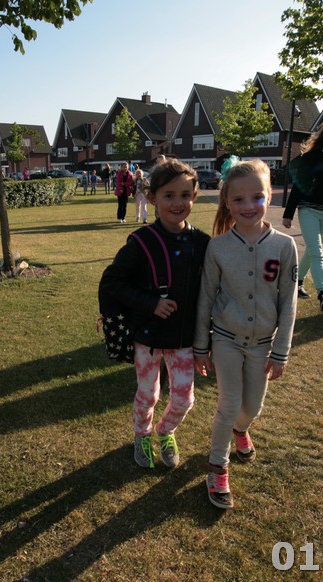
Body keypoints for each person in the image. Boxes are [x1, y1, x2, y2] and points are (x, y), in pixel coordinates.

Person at [194, 158, 298, 509]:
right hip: (225, 339)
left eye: (257, 197)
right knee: (228, 404)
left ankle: (242, 430)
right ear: (226, 202)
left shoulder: (284, 246)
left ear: (270, 196)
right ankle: (217, 467)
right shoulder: (217, 247)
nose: (248, 206)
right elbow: (206, 298)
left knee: (251, 408)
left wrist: (281, 350)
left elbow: (288, 303)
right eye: (238, 199)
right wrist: (201, 346)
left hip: (262, 345)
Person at [99, 158, 210, 469]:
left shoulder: (202, 243)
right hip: (147, 337)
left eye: (185, 195)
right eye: (169, 195)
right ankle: (142, 434)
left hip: (184, 338)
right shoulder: (140, 242)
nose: (178, 203)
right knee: (148, 395)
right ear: (152, 198)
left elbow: (213, 291)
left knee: (185, 399)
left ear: (195, 196)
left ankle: (166, 430)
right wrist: (151, 303)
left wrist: (209, 339)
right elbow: (112, 282)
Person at [282, 119, 323, 311]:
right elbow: (298, 186)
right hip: (308, 210)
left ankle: (297, 282)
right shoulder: (310, 158)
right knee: (317, 252)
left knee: (313, 251)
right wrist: (288, 214)